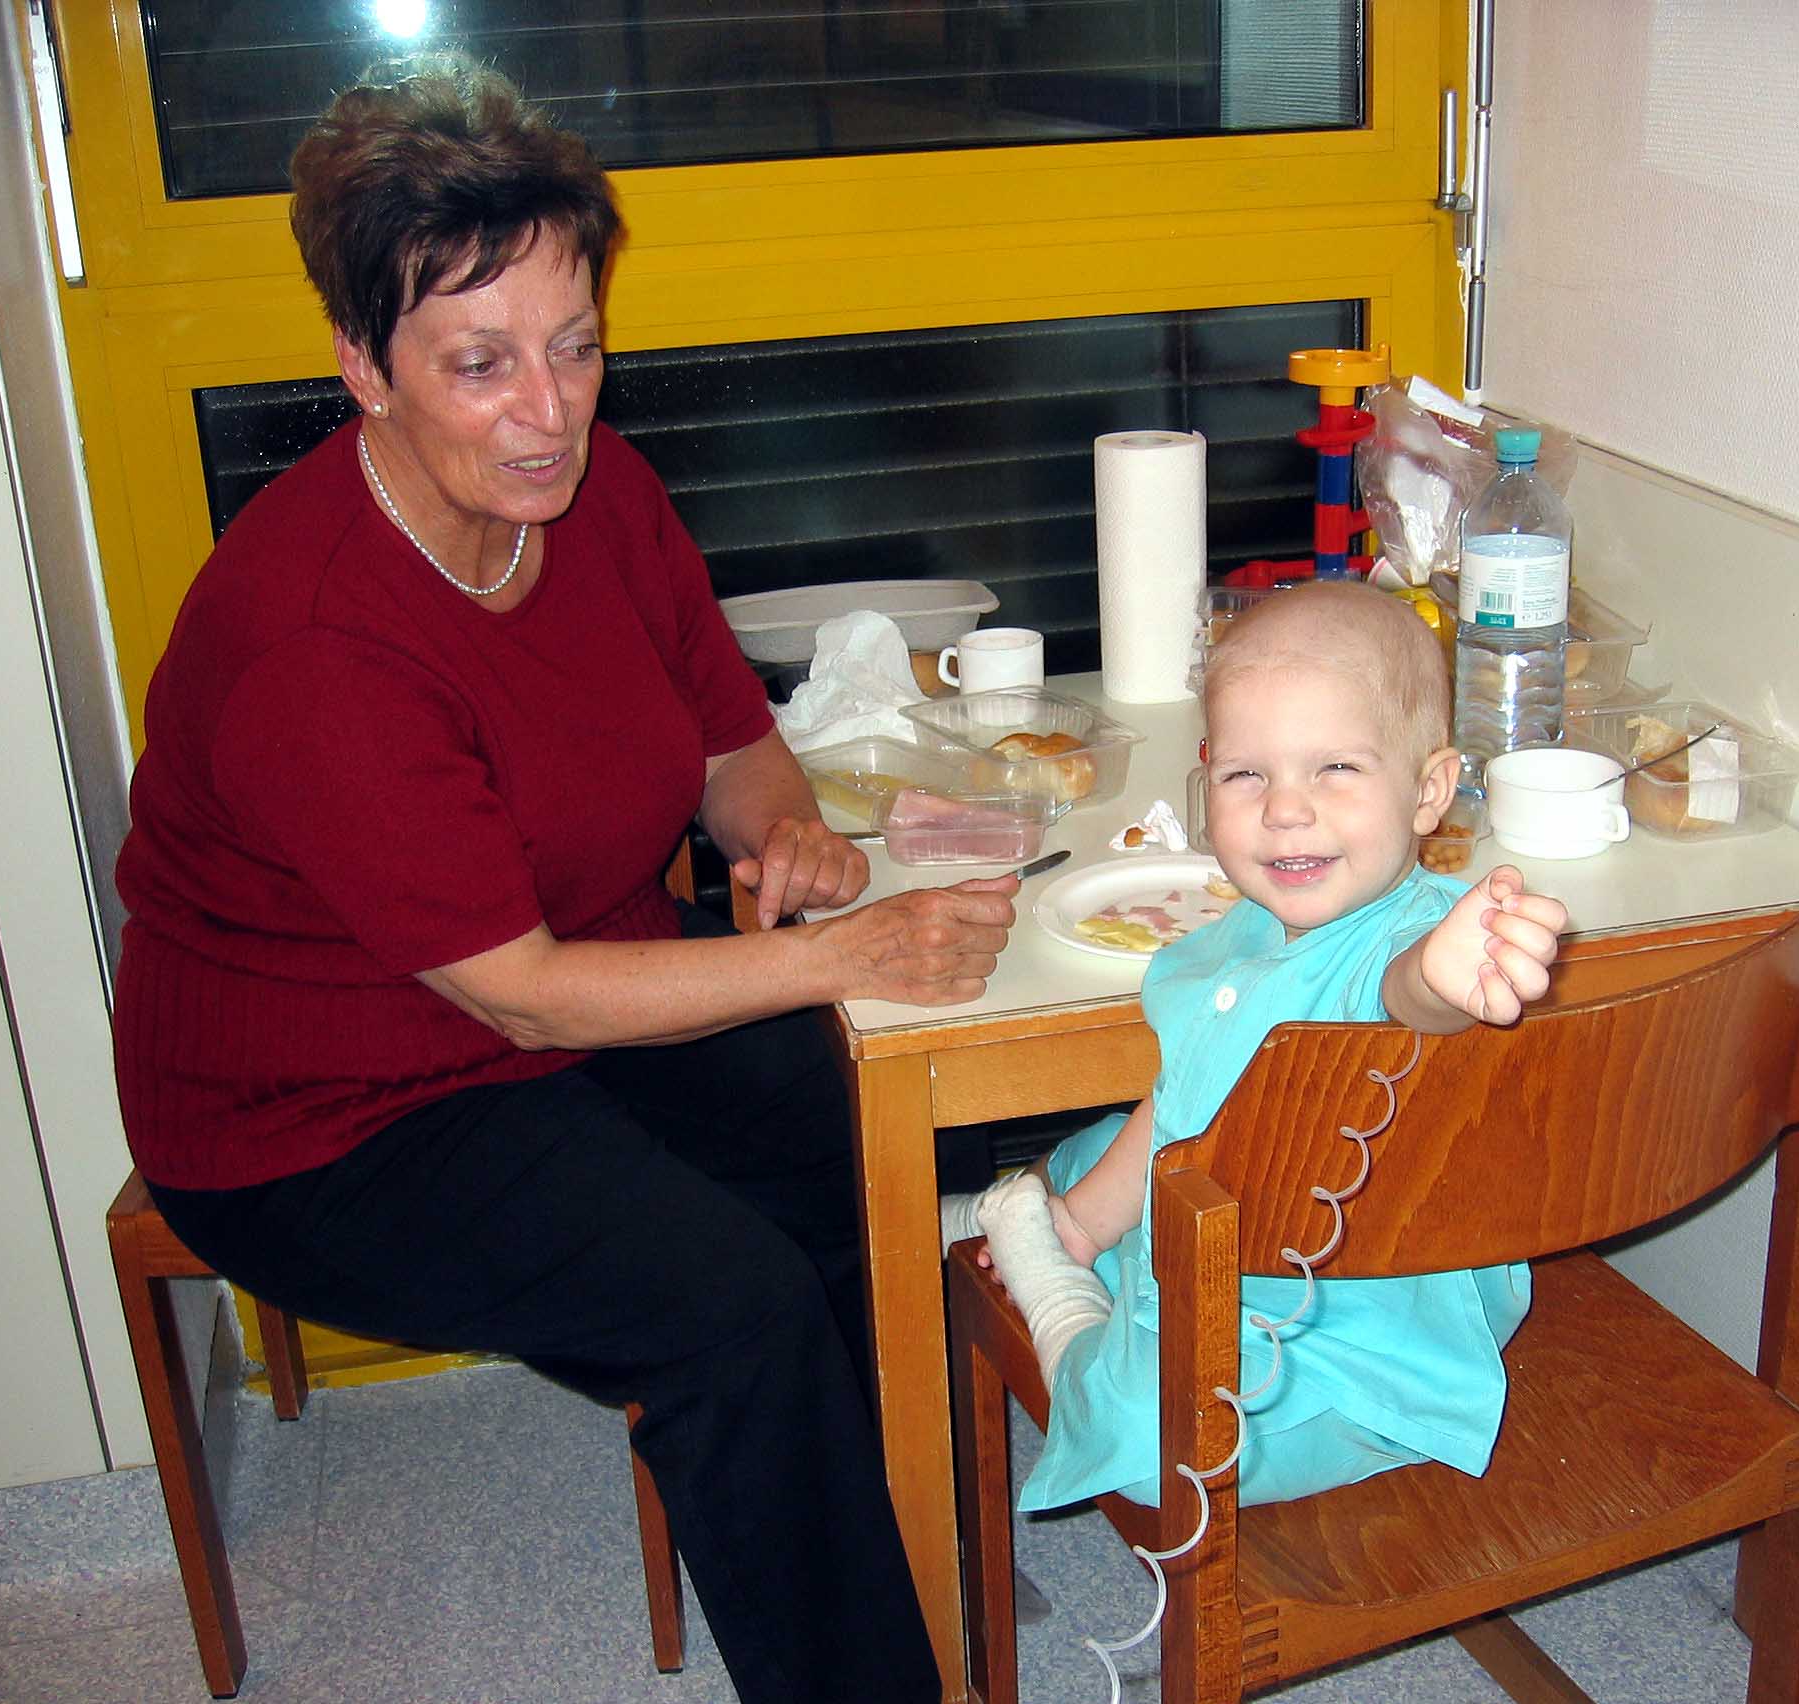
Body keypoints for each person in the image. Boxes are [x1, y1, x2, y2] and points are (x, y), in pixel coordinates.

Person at [110, 60, 1010, 1704]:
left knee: (874, 1125)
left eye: (575, 346)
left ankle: (885, 1528)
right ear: (363, 365)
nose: (548, 410)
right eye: (480, 362)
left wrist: (781, 835)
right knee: (729, 1307)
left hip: (572, 982)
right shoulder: (313, 638)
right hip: (324, 1111)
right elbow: (518, 994)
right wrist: (842, 948)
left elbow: (730, 741)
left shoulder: (597, 497)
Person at [967, 580, 1568, 1511]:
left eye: (1336, 769)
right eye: (1247, 775)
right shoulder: (1246, 932)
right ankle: (1053, 1227)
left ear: (1429, 792)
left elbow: (1408, 998)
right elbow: (1185, 1099)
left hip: (1349, 1339)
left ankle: (1062, 1312)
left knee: (1157, 1437)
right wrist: (1083, 1220)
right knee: (1098, 1154)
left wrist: (1448, 974)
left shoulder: (1409, 942)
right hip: (1226, 1235)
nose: (1286, 809)